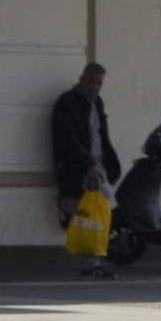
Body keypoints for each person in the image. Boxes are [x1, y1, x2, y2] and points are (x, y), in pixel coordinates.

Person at [52, 62, 122, 278]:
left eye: (99, 83)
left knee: (92, 213)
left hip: (96, 166)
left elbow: (101, 135)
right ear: (82, 79)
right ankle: (91, 264)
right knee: (95, 208)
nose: (94, 86)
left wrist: (109, 163)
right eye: (91, 81)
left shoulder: (96, 103)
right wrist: (88, 164)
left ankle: (92, 263)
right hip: (79, 168)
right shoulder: (68, 103)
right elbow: (67, 139)